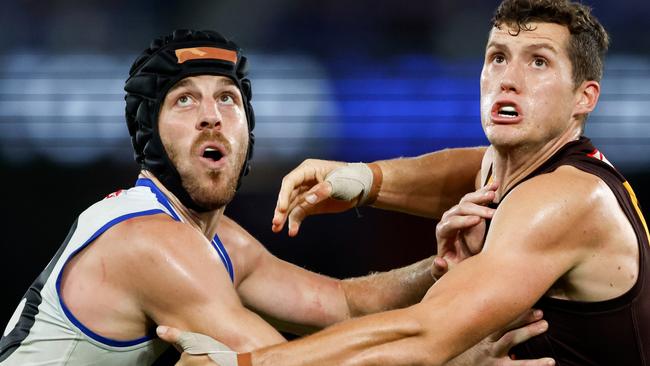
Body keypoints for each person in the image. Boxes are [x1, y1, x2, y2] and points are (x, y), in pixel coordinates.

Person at [0, 29, 550, 366]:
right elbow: (280, 363)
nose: (213, 115)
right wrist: (445, 359)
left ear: (247, 132)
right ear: (149, 136)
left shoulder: (216, 240)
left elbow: (342, 307)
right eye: (185, 101)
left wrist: (437, 270)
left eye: (228, 99)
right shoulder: (150, 243)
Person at [161, 0, 650, 365]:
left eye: (538, 62)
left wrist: (247, 364)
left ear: (584, 97)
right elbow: (466, 169)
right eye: (498, 57)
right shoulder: (516, 168)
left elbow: (424, 337)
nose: (508, 78)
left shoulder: (565, 197)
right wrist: (364, 179)